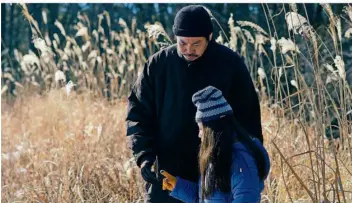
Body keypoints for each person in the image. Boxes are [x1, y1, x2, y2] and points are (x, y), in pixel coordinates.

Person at [126, 5, 263, 202]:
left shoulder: (230, 64)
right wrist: (144, 157)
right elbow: (137, 114)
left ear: (209, 36)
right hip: (167, 173)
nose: (189, 50)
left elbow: (248, 119)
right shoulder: (158, 65)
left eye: (196, 44)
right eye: (182, 43)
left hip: (217, 169)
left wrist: (244, 162)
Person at [161, 86, 270, 203]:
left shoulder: (240, 160)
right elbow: (205, 199)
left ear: (212, 130)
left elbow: (247, 199)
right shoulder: (217, 157)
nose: (199, 135)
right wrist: (178, 186)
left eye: (201, 129)